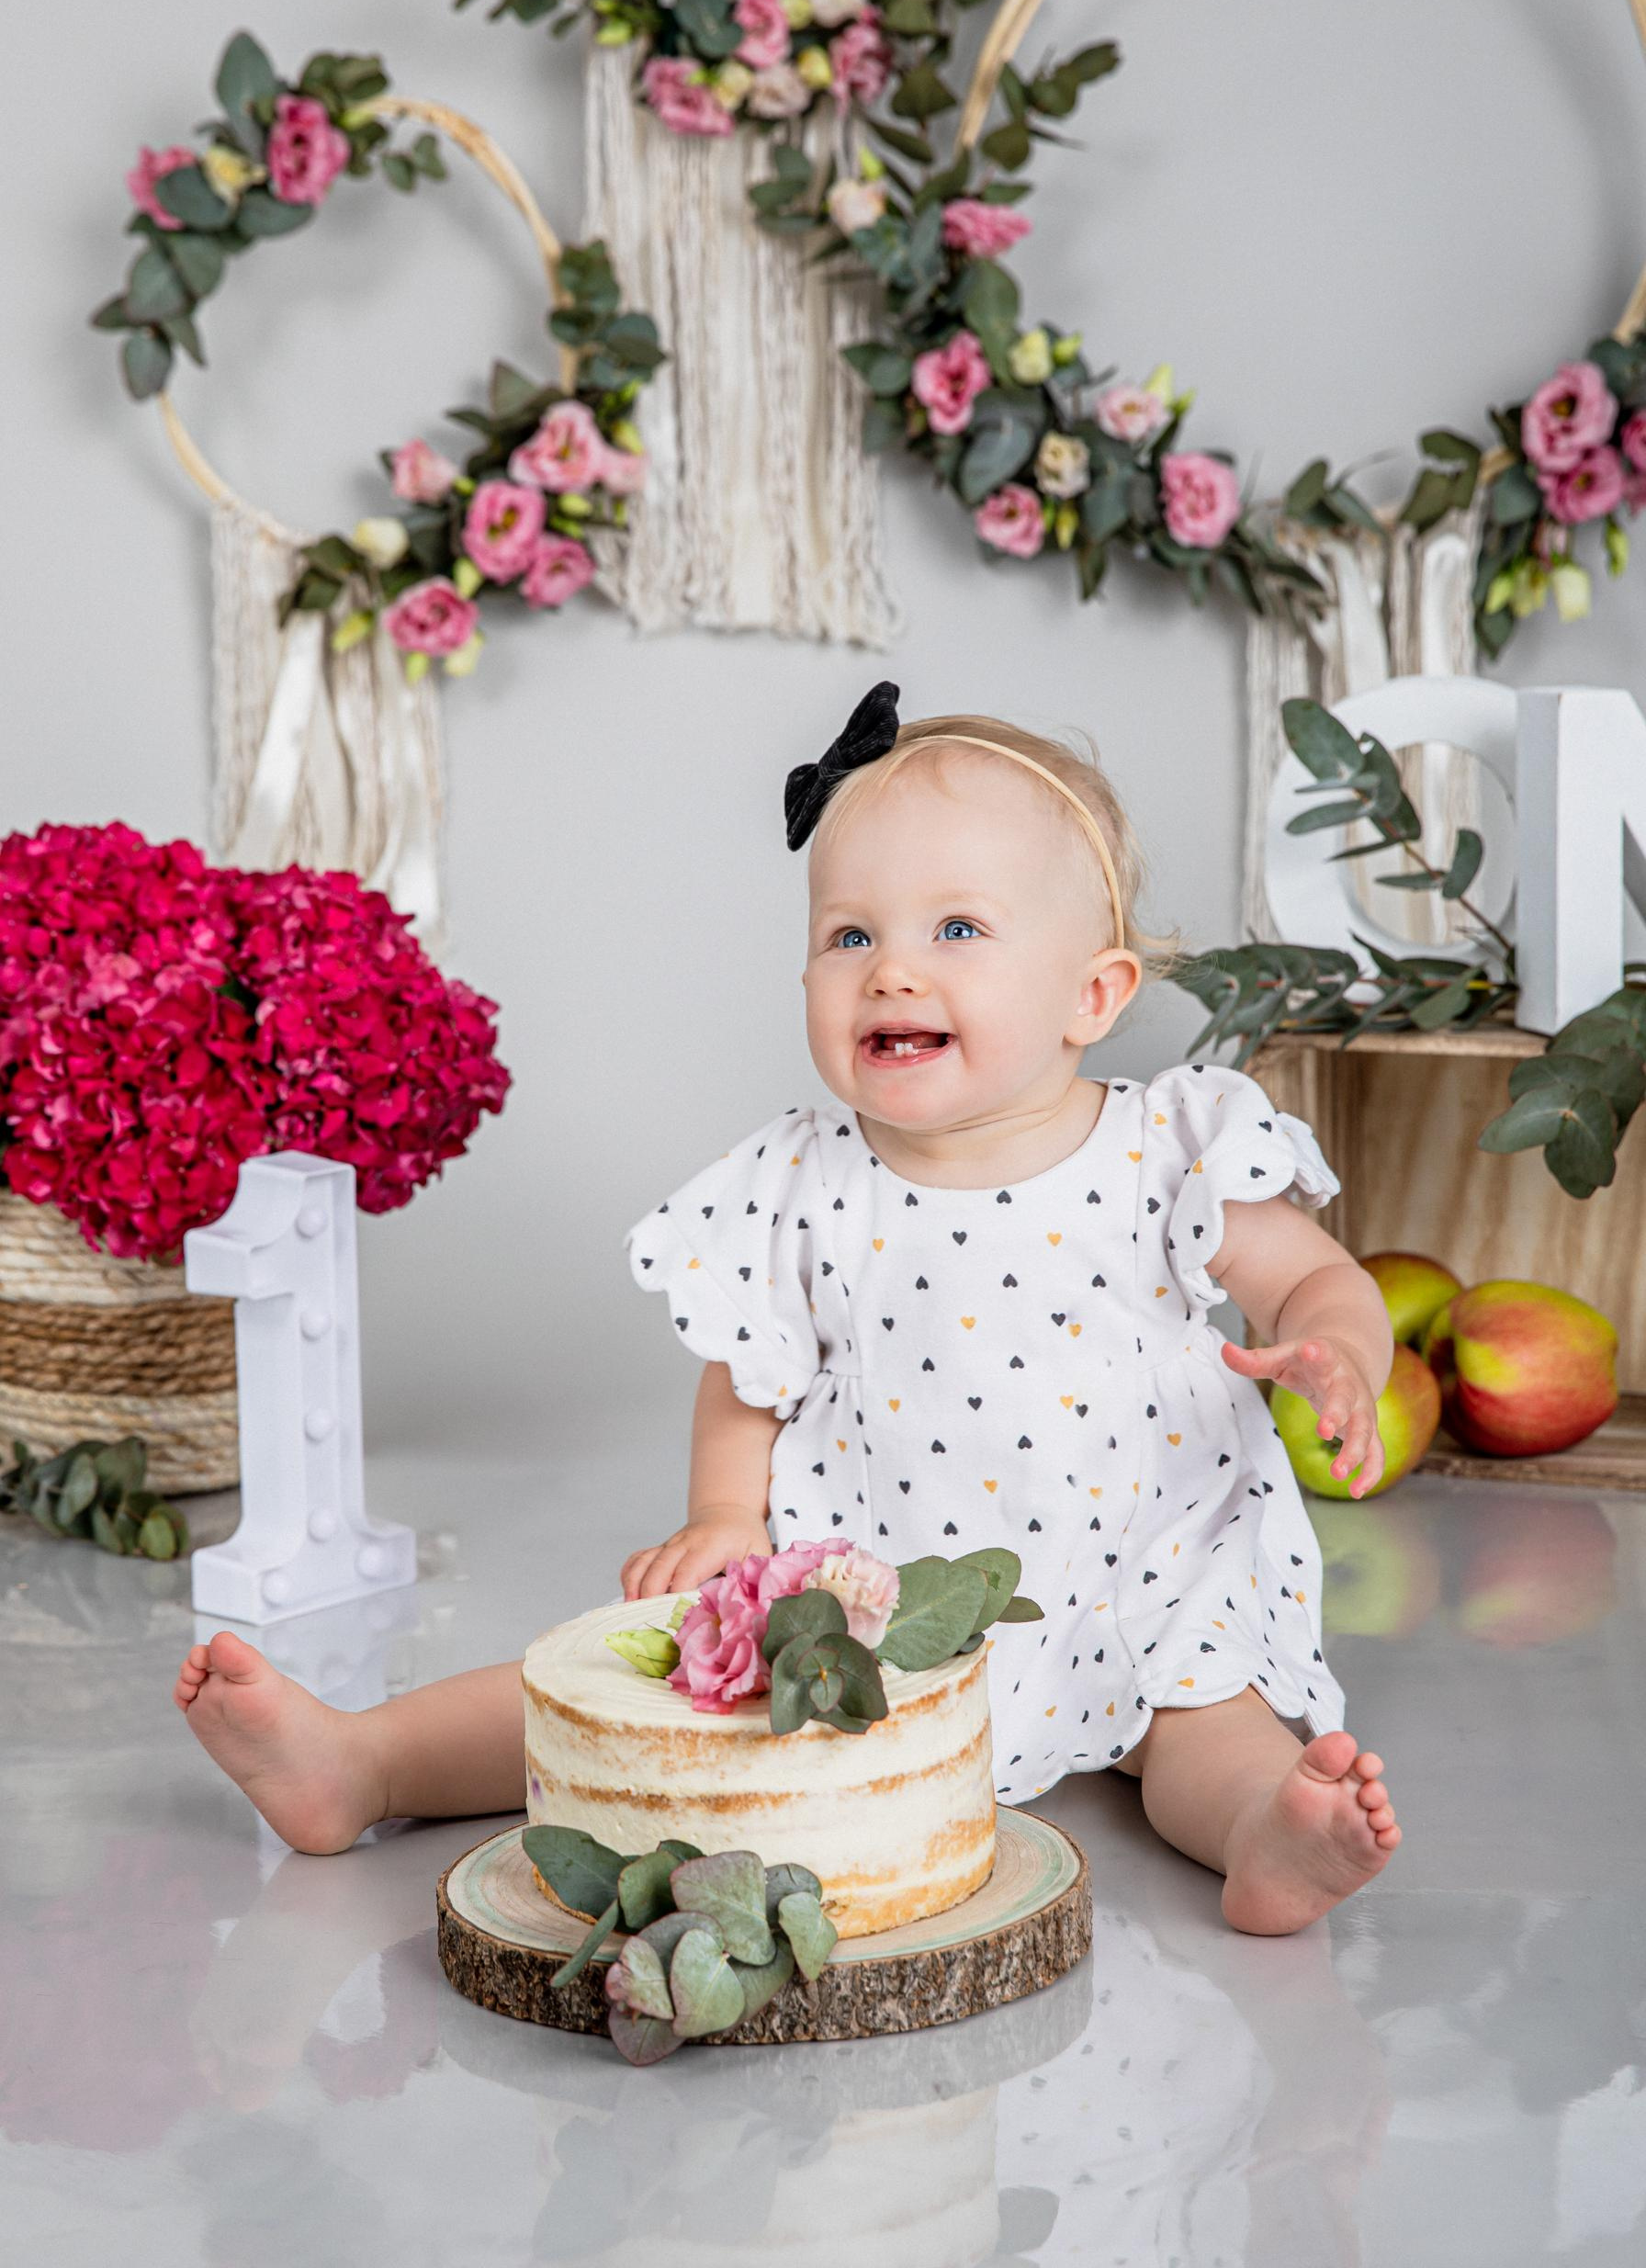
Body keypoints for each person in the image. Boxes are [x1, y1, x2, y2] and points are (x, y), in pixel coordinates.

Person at [175, 684, 1400, 1935]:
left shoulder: (1166, 1148)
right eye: (849, 935)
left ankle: (1263, 1832)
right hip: (867, 1580)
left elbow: (1313, 1279)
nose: (892, 970)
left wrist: (1340, 1351)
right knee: (634, 1691)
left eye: (958, 928)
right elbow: (750, 1374)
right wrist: (724, 1515)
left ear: (1095, 994)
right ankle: (368, 1762)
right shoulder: (804, 1180)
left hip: (1142, 1567)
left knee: (1206, 1719)